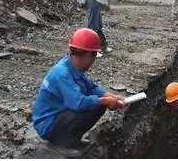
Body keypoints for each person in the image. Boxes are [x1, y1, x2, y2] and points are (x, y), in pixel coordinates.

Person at [32, 28, 127, 157]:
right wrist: (105, 101)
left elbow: (92, 87)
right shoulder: (62, 73)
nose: (93, 60)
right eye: (93, 55)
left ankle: (72, 140)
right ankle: (61, 144)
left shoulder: (74, 67)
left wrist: (111, 96)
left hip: (59, 115)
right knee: (91, 106)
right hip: (48, 124)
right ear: (87, 54)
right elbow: (78, 102)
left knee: (97, 104)